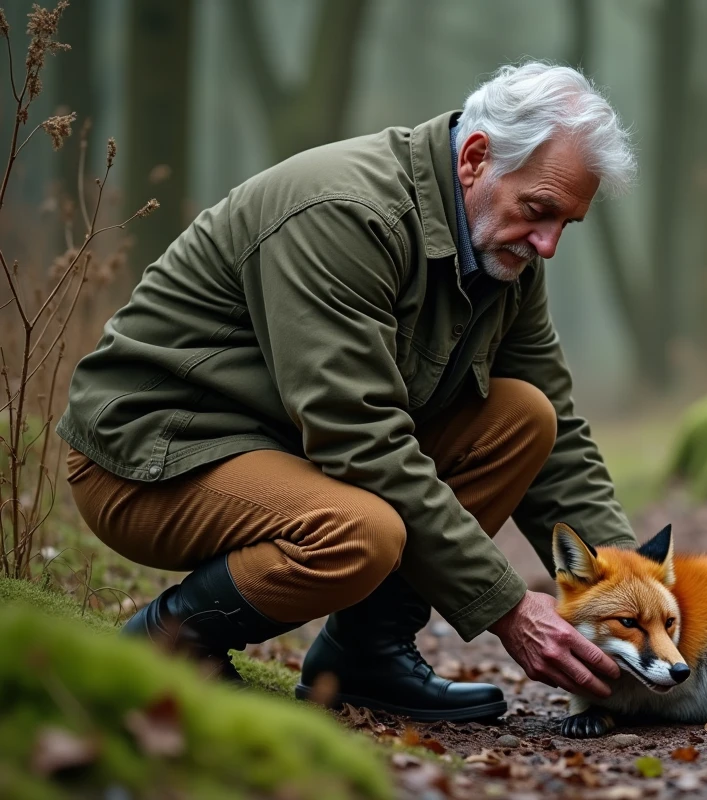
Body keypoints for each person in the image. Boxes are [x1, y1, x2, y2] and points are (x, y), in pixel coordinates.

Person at [56, 61, 640, 722]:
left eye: (567, 222)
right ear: (476, 158)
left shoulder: (506, 249)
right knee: (360, 532)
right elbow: (356, 435)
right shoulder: (347, 212)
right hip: (151, 454)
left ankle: (366, 655)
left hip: (280, 445)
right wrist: (506, 606)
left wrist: (646, 601)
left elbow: (557, 434)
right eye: (539, 211)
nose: (550, 243)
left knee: (523, 418)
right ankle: (166, 644)